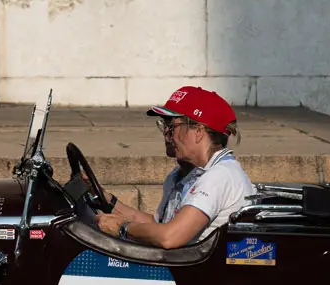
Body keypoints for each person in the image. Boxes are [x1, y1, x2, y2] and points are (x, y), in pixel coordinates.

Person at [95, 86, 251, 249]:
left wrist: (122, 228)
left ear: (198, 131)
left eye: (172, 125)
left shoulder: (219, 176)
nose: (166, 133)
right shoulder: (183, 174)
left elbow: (170, 237)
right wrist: (106, 199)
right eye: (164, 125)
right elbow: (157, 225)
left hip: (198, 271)